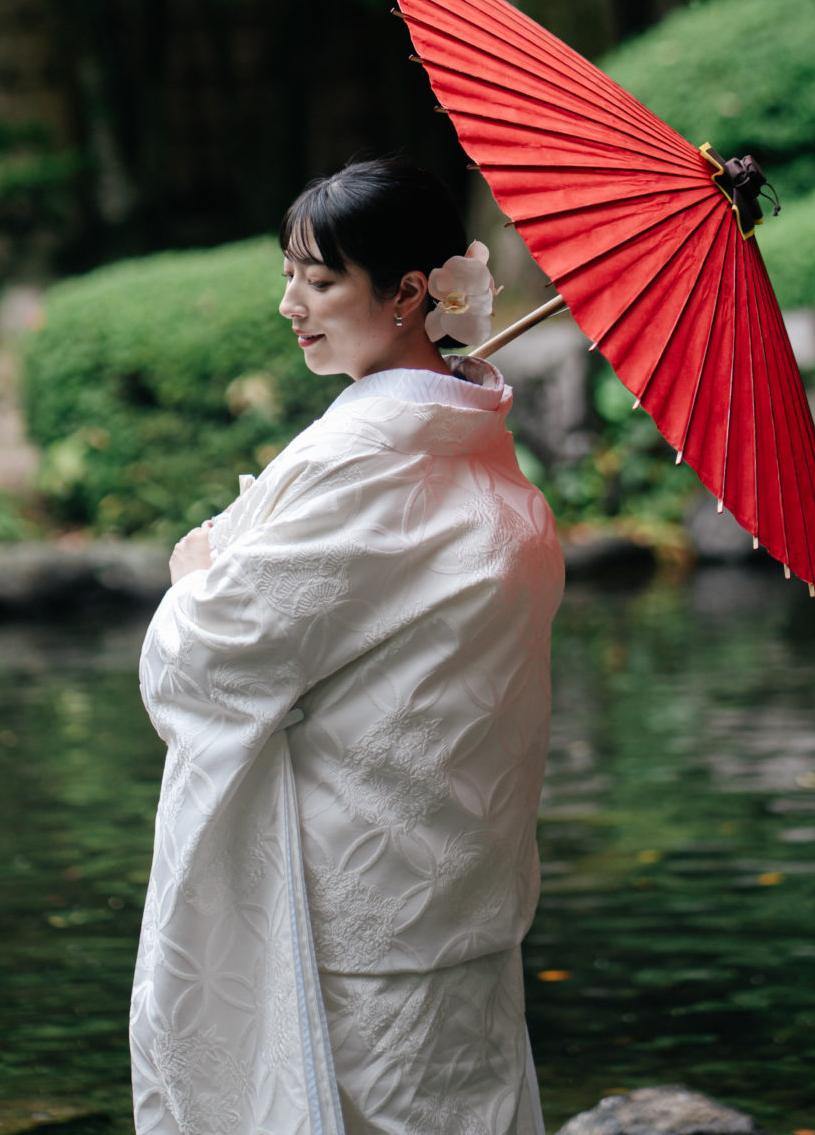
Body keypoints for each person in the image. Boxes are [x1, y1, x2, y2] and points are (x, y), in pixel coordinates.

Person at [129, 159, 565, 1135]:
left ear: (409, 292)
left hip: (351, 908)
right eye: (290, 274)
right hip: (461, 885)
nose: (290, 304)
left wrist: (195, 577)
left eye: (320, 280)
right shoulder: (489, 467)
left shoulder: (365, 458)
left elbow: (202, 660)